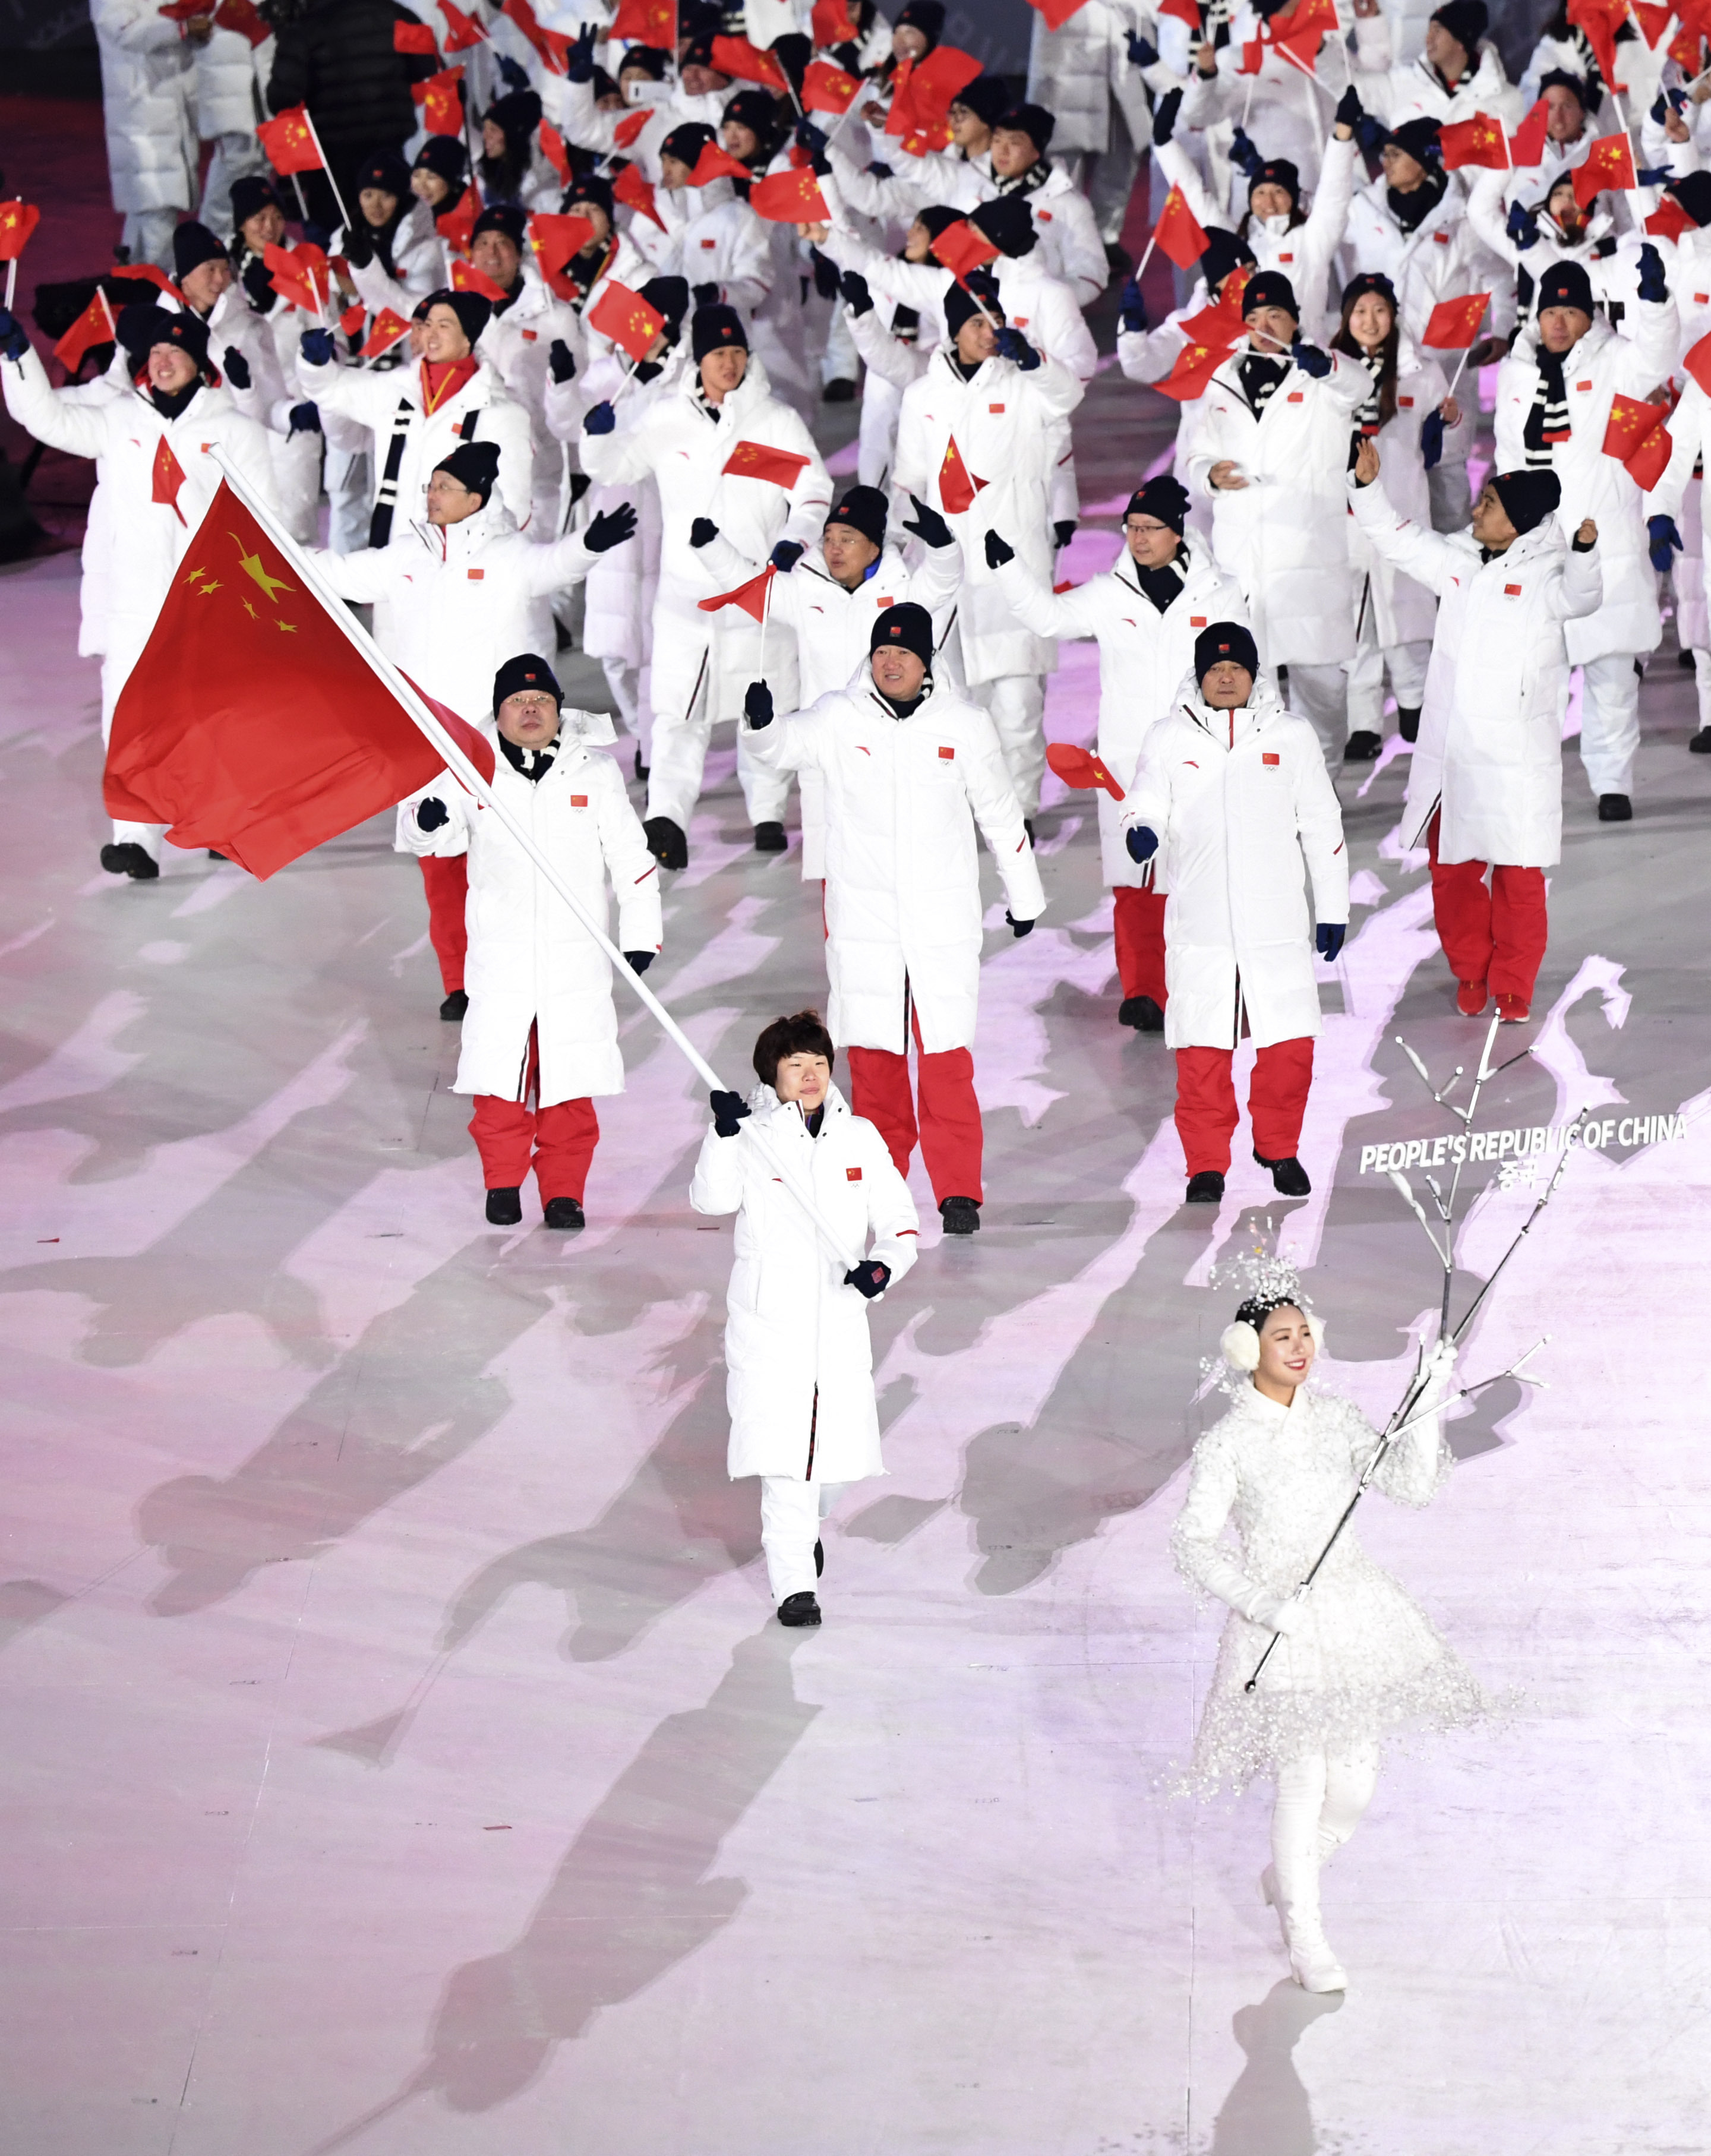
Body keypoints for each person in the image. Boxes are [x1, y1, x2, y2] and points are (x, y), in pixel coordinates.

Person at [1172, 1284, 1483, 1991]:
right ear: (1248, 1350)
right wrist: (1259, 1601)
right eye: (1282, 1337)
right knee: (1302, 1778)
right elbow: (1193, 1540)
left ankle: (1290, 1872)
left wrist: (1431, 1396)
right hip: (1279, 1624)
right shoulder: (1228, 1441)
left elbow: (1411, 1484)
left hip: (1349, 1610)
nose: (1299, 1347)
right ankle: (1305, 1937)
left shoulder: (1337, 1418)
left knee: (1354, 1789)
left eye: (1304, 1333)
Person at [740, 604, 1046, 1235]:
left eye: (904, 652)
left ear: (926, 660)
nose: (891, 661)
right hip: (864, 923)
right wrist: (763, 722)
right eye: (882, 651)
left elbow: (998, 811)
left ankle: (958, 1189)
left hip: (941, 922)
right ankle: (880, 1187)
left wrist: (1026, 896)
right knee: (875, 1065)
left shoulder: (963, 723)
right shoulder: (838, 715)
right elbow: (781, 749)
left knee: (945, 1062)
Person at [311, 442, 637, 1018]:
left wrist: (590, 544)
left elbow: (553, 565)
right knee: (441, 867)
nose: (430, 494)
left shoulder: (508, 555)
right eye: (431, 485)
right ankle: (459, 982)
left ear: (476, 497)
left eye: (443, 486)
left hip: (496, 746)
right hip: (428, 745)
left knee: (507, 869)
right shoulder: (406, 556)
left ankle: (515, 972)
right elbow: (337, 572)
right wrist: (266, 546)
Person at [0, 301, 276, 878]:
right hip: (134, 607)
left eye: (176, 351)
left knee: (209, 720)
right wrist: (18, 356)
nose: (165, 360)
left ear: (200, 364)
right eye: (156, 353)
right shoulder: (121, 420)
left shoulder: (235, 433)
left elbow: (263, 524)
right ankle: (136, 837)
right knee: (128, 720)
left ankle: (218, 819)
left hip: (206, 609)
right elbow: (47, 420)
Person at [399, 655, 662, 1230]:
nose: (531, 709)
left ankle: (564, 1192)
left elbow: (632, 860)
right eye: (518, 701)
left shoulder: (594, 771)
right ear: (498, 712)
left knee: (570, 1081)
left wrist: (641, 936)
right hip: (503, 958)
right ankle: (503, 1182)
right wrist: (431, 816)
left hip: (576, 960)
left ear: (558, 708)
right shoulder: (471, 769)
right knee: (498, 1079)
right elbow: (429, 839)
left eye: (541, 700)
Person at [986, 474, 1247, 1034]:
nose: (1138, 538)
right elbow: (1048, 618)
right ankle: (1145, 991)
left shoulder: (1220, 593)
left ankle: (1204, 982)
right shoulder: (1110, 594)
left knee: (1198, 875)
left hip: (1199, 759)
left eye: (1151, 528)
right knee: (1135, 882)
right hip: (1128, 765)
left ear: (1178, 533)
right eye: (1131, 527)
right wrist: (1008, 568)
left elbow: (1243, 676)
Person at [1350, 446, 1601, 1024]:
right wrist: (1366, 489)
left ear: (1516, 521)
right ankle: (1470, 967)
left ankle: (1514, 982)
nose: (1475, 510)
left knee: (1518, 876)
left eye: (1488, 503)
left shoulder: (1551, 574)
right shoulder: (1460, 559)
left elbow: (1582, 597)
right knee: (1454, 872)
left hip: (1516, 757)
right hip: (1454, 753)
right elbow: (1396, 538)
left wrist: (1586, 553)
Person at [578, 305, 832, 870]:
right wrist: (594, 439)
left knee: (762, 702)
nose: (729, 363)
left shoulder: (774, 421)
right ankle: (666, 817)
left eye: (737, 353)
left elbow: (814, 487)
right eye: (718, 354)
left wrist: (797, 536)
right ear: (700, 359)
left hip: (753, 589)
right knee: (675, 710)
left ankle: (767, 809)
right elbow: (616, 468)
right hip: (685, 596)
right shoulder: (667, 418)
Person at [690, 1009, 920, 1628]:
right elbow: (711, 1200)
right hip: (770, 1323)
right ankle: (795, 1584)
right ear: (774, 1074)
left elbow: (900, 1223)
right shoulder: (752, 1133)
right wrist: (722, 1134)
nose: (811, 1075)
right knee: (787, 1460)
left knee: (836, 1466)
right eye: (797, 1066)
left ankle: (806, 1527)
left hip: (841, 1324)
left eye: (819, 1064)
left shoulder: (860, 1138)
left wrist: (883, 1268)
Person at [1120, 624, 1349, 1204]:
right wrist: (1141, 828)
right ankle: (1206, 1165)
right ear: (1199, 676)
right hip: (1202, 925)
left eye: (1237, 668)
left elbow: (1322, 824)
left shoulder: (1290, 736)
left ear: (1254, 675)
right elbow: (1145, 796)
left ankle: (1279, 1146)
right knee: (1202, 1053)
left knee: (1290, 1047)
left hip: (1276, 924)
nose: (1226, 677)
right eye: (1215, 668)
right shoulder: (1169, 736)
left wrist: (1334, 907)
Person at [891, 280, 1087, 823]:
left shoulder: (1026, 385)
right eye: (977, 323)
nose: (988, 332)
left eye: (994, 320)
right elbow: (907, 480)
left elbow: (1068, 395)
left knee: (1020, 702)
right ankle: (969, 804)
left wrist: (1036, 362)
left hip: (1014, 562)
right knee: (957, 701)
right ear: (954, 331)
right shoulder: (923, 397)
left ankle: (1019, 806)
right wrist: (900, 542)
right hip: (949, 572)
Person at [693, 484, 964, 874]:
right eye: (829, 539)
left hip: (888, 750)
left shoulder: (901, 590)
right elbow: (750, 585)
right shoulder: (806, 589)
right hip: (828, 750)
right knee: (835, 875)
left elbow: (941, 584)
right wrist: (710, 546)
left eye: (847, 539)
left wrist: (943, 546)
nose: (834, 549)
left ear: (874, 546)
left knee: (894, 870)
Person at [1492, 254, 1675, 822]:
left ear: (1588, 315)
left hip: (1606, 538)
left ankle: (1612, 781)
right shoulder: (1517, 373)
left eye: (1572, 311)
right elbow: (1505, 454)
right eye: (1552, 311)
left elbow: (1656, 357)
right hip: (1539, 545)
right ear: (1538, 316)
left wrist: (1656, 301)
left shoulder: (1615, 358)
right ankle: (1532, 784)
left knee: (1612, 672)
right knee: (1536, 681)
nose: (1561, 322)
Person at [1186, 271, 1372, 764]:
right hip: (1245, 561)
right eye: (1253, 318)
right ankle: (1274, 801)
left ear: (1295, 321)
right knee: (1254, 695)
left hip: (1308, 556)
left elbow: (1359, 383)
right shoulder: (1222, 379)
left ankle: (1323, 783)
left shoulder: (1321, 377)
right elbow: (1195, 455)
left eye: (1275, 316)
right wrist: (1210, 473)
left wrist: (1328, 365)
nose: (1263, 327)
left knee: (1322, 695)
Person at [296, 286, 535, 551]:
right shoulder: (396, 389)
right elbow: (332, 389)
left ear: (468, 337)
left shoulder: (502, 415)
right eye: (428, 324)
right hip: (391, 557)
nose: (430, 334)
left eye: (444, 326)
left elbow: (515, 507)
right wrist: (315, 364)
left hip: (456, 568)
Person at [1330, 272, 1451, 756]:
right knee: (1356, 620)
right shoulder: (1328, 370)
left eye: (1379, 310)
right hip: (1345, 517)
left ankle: (1415, 704)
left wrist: (1444, 430)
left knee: (1406, 609)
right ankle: (1363, 722)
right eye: (1360, 311)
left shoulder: (1423, 371)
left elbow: (1444, 443)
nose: (1370, 320)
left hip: (1402, 509)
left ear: (1394, 314)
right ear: (1346, 318)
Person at [93, 0, 198, 270]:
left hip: (170, 112)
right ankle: (160, 296)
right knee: (157, 206)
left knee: (148, 211)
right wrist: (182, 29)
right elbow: (127, 31)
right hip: (139, 115)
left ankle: (133, 286)